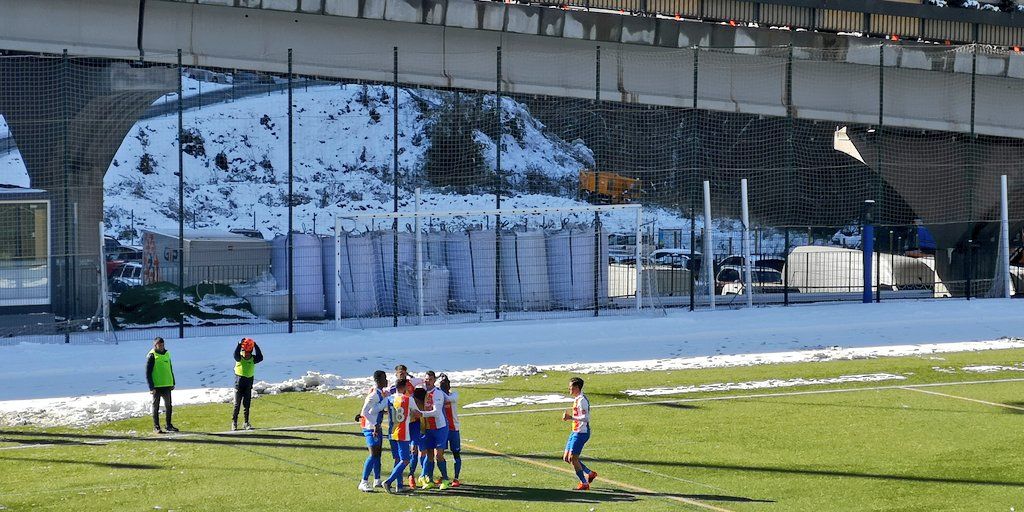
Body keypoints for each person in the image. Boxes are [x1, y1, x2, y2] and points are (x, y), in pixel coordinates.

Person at [380, 379, 442, 494]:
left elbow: (379, 408)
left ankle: (399, 486)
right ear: (404, 388)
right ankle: (388, 482)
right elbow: (417, 412)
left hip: (391, 433)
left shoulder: (389, 399)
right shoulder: (409, 399)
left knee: (398, 459)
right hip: (403, 433)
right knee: (405, 460)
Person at [562, 377, 597, 490]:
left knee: (573, 458)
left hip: (581, 433)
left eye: (571, 387)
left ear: (577, 387)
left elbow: (586, 418)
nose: (569, 389)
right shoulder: (577, 398)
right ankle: (590, 473)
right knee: (567, 458)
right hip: (575, 431)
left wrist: (570, 417)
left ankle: (584, 483)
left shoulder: (582, 400)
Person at [358, 370, 390, 492]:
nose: (386, 380)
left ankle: (377, 480)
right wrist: (375, 424)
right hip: (370, 428)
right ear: (378, 380)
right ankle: (363, 481)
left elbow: (375, 410)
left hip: (377, 427)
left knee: (378, 454)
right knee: (373, 454)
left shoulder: (380, 393)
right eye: (384, 378)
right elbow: (364, 412)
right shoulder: (373, 395)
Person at [418, 370, 450, 490]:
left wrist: (420, 414)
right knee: (429, 454)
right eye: (426, 379)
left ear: (434, 381)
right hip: (428, 428)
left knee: (439, 455)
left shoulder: (437, 393)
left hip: (440, 428)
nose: (428, 381)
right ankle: (429, 479)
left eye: (430, 379)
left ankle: (446, 479)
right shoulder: (422, 392)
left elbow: (436, 412)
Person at [146, 337, 178, 434]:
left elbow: (170, 368)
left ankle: (168, 425)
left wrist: (173, 382)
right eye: (159, 345)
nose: (161, 347)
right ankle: (156, 427)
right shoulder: (152, 355)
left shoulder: (167, 353)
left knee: (169, 406)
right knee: (156, 406)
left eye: (162, 345)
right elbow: (148, 372)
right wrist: (151, 387)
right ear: (155, 345)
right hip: (157, 386)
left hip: (167, 384)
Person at [232, 337, 264, 431]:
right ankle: (234, 422)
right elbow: (235, 355)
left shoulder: (253, 359)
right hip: (239, 385)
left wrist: (255, 345)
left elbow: (260, 357)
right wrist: (238, 345)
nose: (245, 354)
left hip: (248, 385)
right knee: (237, 404)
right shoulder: (239, 358)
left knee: (247, 405)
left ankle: (246, 422)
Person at [438, 373, 463, 487]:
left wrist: (439, 390)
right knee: (439, 453)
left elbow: (447, 398)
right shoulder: (439, 396)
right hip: (443, 430)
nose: (443, 386)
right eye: (442, 384)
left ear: (449, 386)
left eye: (445, 384)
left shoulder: (454, 395)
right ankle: (444, 476)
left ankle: (456, 478)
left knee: (456, 453)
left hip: (454, 429)